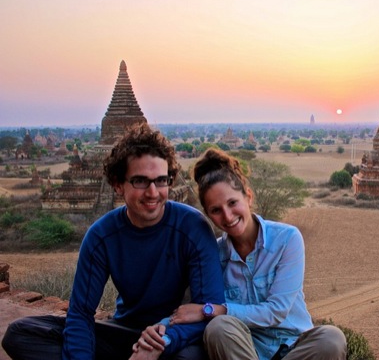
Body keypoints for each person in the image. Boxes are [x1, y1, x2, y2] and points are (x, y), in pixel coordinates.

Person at [2, 124, 225, 360]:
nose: (153, 192)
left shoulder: (192, 227)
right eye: (140, 181)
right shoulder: (102, 236)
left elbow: (210, 308)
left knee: (191, 357)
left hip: (172, 334)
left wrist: (159, 343)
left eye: (161, 180)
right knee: (20, 334)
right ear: (118, 184)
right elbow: (81, 313)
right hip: (123, 331)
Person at [134, 148, 347, 360]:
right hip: (245, 350)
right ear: (208, 215)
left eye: (232, 203)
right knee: (218, 328)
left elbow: (276, 311)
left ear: (248, 197)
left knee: (332, 338)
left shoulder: (287, 239)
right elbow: (190, 307)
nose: (227, 216)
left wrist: (212, 310)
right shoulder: (213, 255)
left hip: (294, 345)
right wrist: (159, 329)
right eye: (216, 210)